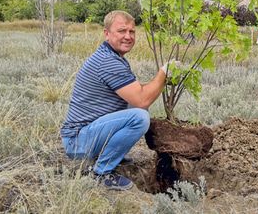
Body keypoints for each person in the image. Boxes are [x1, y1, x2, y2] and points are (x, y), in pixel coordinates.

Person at [61, 10, 176, 191]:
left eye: (132, 32)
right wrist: (164, 73)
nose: (128, 36)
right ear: (106, 33)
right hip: (78, 142)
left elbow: (136, 92)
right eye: (122, 31)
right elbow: (142, 99)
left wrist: (161, 81)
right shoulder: (108, 62)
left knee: (137, 108)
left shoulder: (112, 56)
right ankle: (101, 173)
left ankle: (110, 153)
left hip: (85, 136)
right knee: (139, 116)